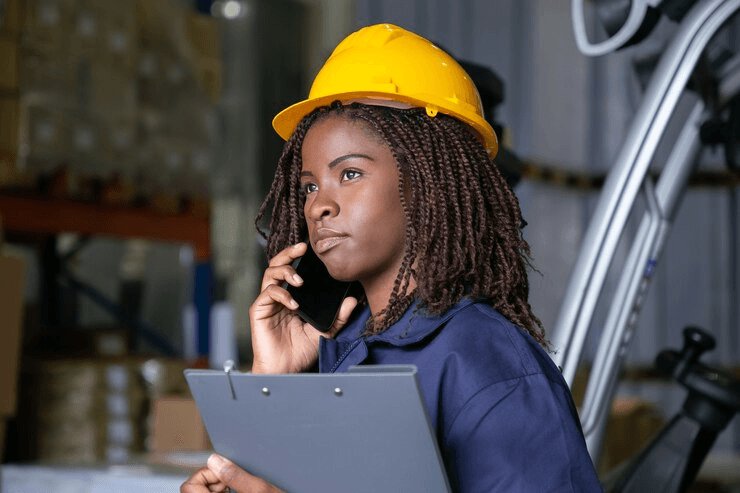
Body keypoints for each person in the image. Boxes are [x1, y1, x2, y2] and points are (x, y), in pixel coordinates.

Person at [182, 23, 603, 493]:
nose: (318, 204)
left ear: (429, 185)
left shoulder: (487, 363)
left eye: (351, 173)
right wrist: (273, 382)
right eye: (309, 186)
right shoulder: (344, 348)